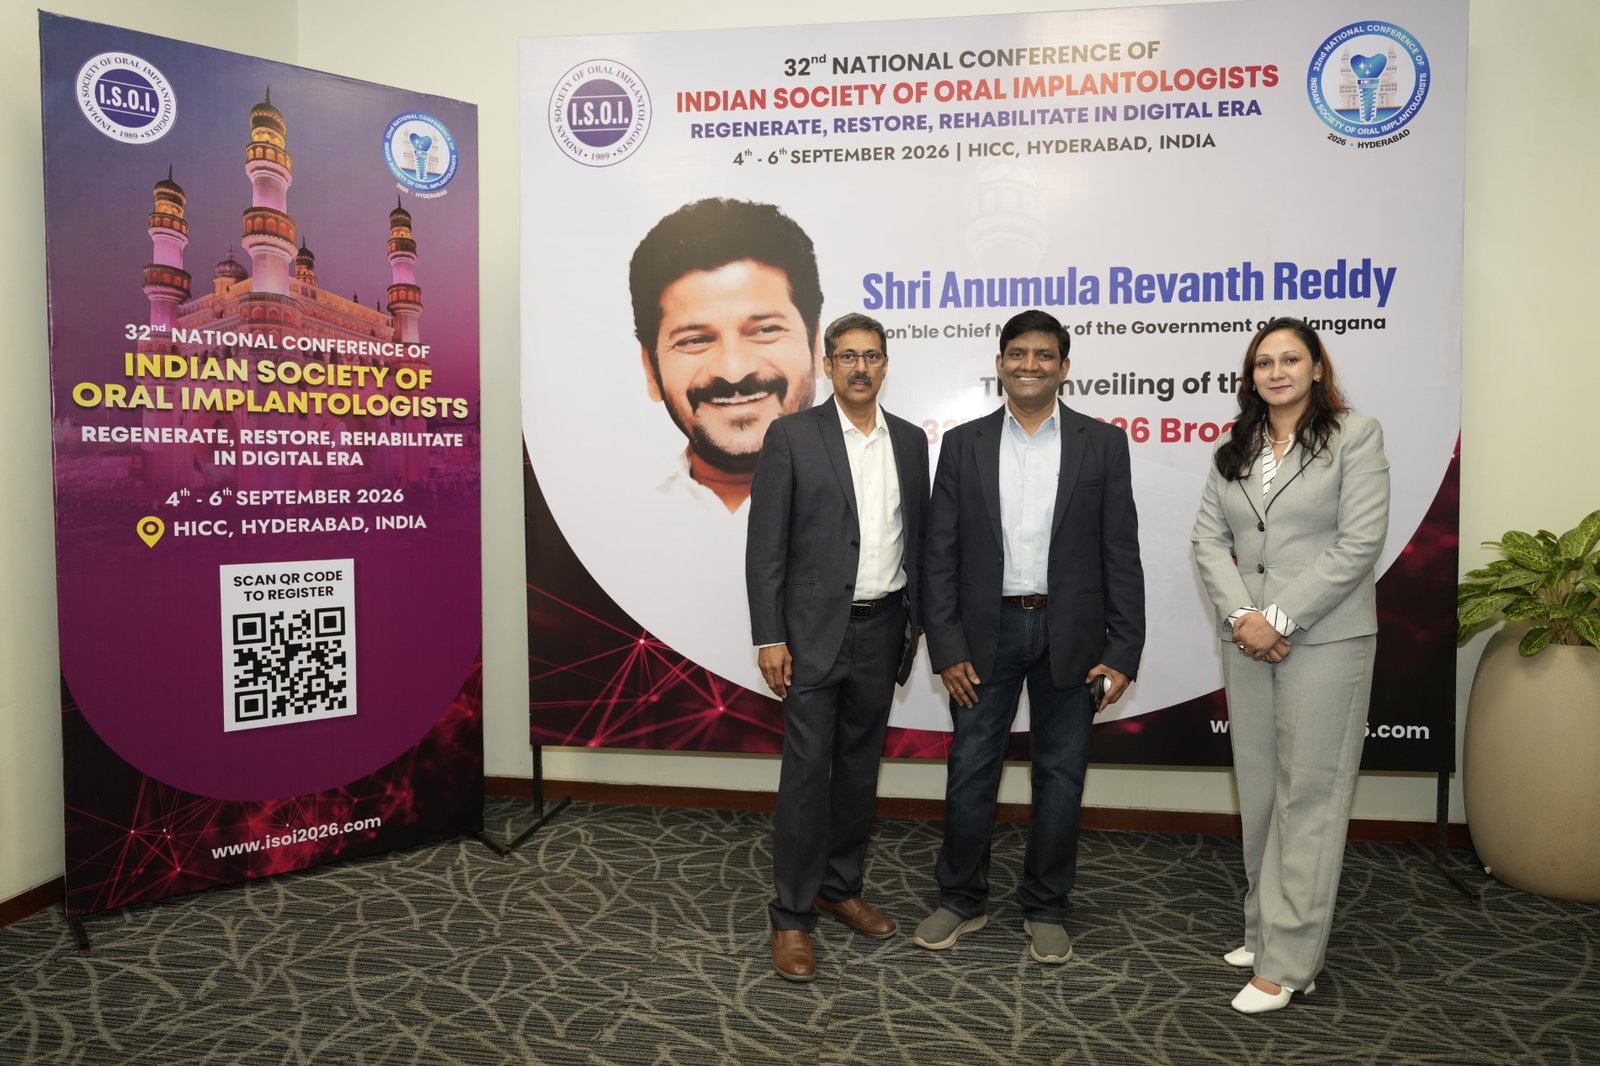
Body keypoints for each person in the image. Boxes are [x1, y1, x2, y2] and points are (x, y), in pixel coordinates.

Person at [915, 308, 1145, 966]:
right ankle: (961, 898)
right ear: (999, 363)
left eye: (1044, 355)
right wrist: (947, 647)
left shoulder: (1104, 445)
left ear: (1064, 367)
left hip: (1072, 633)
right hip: (982, 634)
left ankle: (1046, 905)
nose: (1030, 365)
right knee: (970, 770)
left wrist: (1123, 648)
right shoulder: (963, 445)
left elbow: (1120, 552)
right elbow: (939, 556)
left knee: (1061, 776)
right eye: (1017, 354)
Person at [1190, 316, 1389, 1014]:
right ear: (1251, 376)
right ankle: (1262, 930)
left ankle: (1289, 962)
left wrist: (1277, 618)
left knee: (1309, 797)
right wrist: (1245, 617)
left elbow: (1359, 543)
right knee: (1262, 791)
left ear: (1316, 368)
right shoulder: (1234, 449)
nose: (1276, 372)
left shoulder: (1355, 436)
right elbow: (1208, 540)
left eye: (1290, 359)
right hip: (1247, 639)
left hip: (1325, 639)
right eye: (1263, 362)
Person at [746, 312, 930, 982]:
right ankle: (792, 914)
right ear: (827, 365)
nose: (860, 367)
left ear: (885, 365)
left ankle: (839, 886)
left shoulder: (910, 441)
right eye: (847, 356)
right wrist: (770, 635)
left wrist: (920, 623)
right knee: (805, 776)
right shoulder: (792, 436)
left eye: (871, 356)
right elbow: (766, 546)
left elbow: (920, 539)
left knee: (858, 770)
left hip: (884, 630)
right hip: (811, 636)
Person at [630, 197, 824, 514]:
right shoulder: (628, 516)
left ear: (816, 346)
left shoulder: (870, 500)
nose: (734, 371)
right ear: (651, 370)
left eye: (765, 330)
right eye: (695, 340)